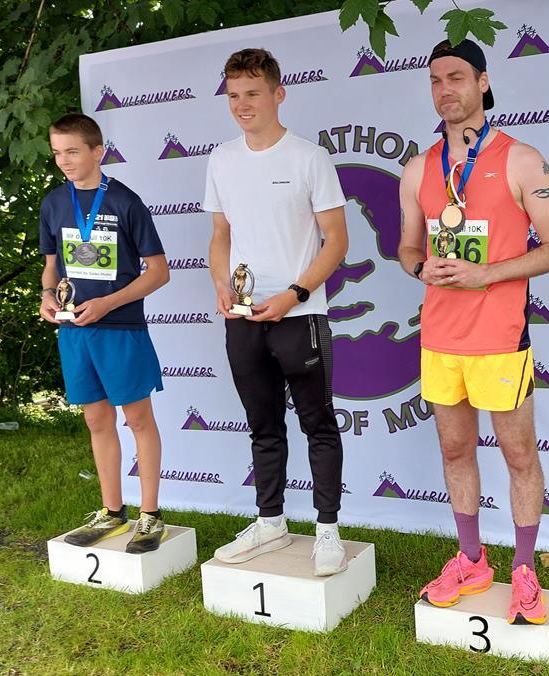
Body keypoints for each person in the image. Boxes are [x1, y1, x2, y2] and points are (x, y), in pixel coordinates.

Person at [397, 39, 549, 625]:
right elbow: (406, 246)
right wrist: (419, 266)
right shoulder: (418, 168)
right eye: (434, 80)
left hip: (500, 336)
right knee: (454, 449)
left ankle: (524, 569)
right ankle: (472, 559)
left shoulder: (522, 159)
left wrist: (486, 275)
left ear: (482, 81)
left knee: (518, 454)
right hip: (439, 337)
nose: (444, 88)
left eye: (455, 77)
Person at [205, 48, 351, 576]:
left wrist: (295, 293)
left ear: (277, 94)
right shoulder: (220, 159)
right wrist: (221, 284)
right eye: (234, 94)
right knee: (262, 426)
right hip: (243, 318)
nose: (242, 104)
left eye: (252, 93)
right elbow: (220, 235)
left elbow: (336, 241)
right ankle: (270, 522)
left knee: (318, 426)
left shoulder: (309, 158)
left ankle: (328, 530)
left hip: (299, 316)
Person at [38, 113, 171, 553]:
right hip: (74, 331)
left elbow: (159, 273)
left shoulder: (127, 202)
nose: (64, 161)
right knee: (96, 419)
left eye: (72, 151)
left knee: (137, 419)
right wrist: (45, 297)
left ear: (98, 151)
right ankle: (113, 512)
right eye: (57, 153)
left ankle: (150, 517)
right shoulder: (54, 203)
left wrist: (108, 303)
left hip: (119, 328)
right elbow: (51, 267)